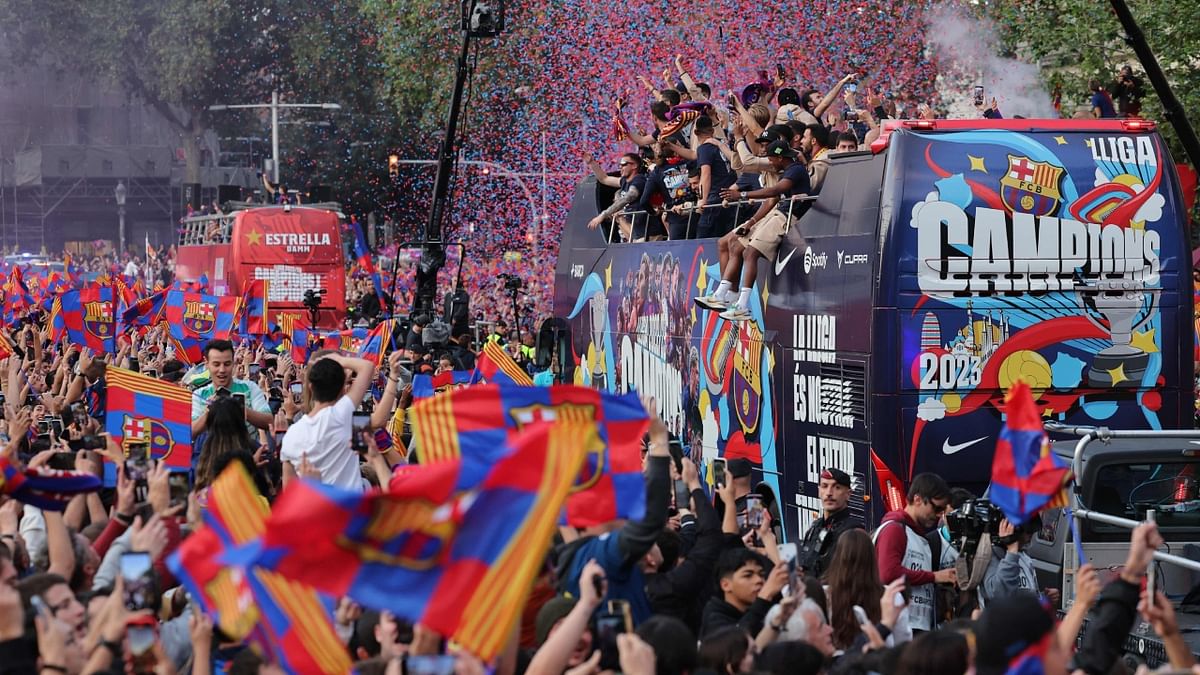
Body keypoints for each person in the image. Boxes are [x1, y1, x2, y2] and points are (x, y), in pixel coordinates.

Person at [696, 140, 810, 322]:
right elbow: (772, 198)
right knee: (735, 245)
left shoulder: (795, 170)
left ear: (780, 157)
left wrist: (742, 195)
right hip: (776, 214)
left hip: (785, 216)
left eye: (771, 158)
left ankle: (742, 306)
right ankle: (723, 294)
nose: (770, 162)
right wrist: (751, 223)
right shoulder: (788, 170)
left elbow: (775, 190)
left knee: (750, 253)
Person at [872, 472, 956, 633]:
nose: (939, 515)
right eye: (937, 508)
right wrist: (935, 576)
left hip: (915, 626)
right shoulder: (895, 529)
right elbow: (888, 573)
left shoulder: (917, 535)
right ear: (917, 499)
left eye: (943, 510)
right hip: (896, 626)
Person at [280, 353, 375, 490]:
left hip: (314, 509)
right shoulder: (342, 414)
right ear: (343, 388)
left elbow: (288, 492)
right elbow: (367, 366)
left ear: (310, 387)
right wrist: (341, 360)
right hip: (352, 509)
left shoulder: (291, 434)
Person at [698, 548, 788, 639]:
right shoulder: (714, 619)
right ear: (725, 585)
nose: (759, 580)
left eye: (761, 574)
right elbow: (737, 645)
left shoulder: (763, 608)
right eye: (748, 575)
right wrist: (764, 597)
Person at [190, 340, 273, 437]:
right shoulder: (199, 395)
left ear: (233, 362)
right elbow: (190, 431)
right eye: (216, 364)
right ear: (207, 364)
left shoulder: (249, 387)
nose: (222, 370)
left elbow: (269, 421)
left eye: (227, 364)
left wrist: (240, 409)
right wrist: (209, 413)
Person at [796, 468, 863, 579]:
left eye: (837, 487)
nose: (829, 493)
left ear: (848, 494)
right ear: (819, 491)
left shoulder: (854, 532)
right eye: (824, 486)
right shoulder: (815, 527)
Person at [585, 152, 646, 243]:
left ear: (634, 166)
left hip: (645, 233)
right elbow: (604, 179)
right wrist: (592, 163)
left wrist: (603, 215)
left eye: (623, 164)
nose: (620, 167)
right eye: (619, 165)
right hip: (635, 233)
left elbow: (627, 198)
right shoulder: (624, 181)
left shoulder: (639, 180)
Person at [693, 116, 737, 239]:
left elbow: (705, 174)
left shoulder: (704, 149)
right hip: (730, 198)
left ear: (696, 132)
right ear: (712, 131)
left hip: (714, 201)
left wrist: (702, 200)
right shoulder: (722, 145)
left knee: (703, 241)